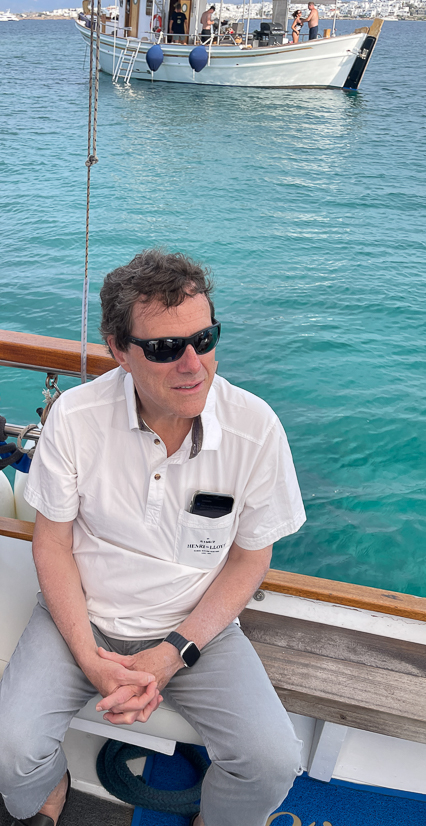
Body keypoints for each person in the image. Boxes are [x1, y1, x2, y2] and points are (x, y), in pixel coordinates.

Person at [0, 249, 306, 826]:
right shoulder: (75, 417)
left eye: (204, 339)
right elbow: (52, 544)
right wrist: (89, 657)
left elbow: (249, 558)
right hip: (81, 615)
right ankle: (50, 783)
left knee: (271, 761)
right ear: (120, 350)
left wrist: (173, 653)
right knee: (9, 753)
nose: (193, 364)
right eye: (165, 348)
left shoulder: (256, 428)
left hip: (194, 627)